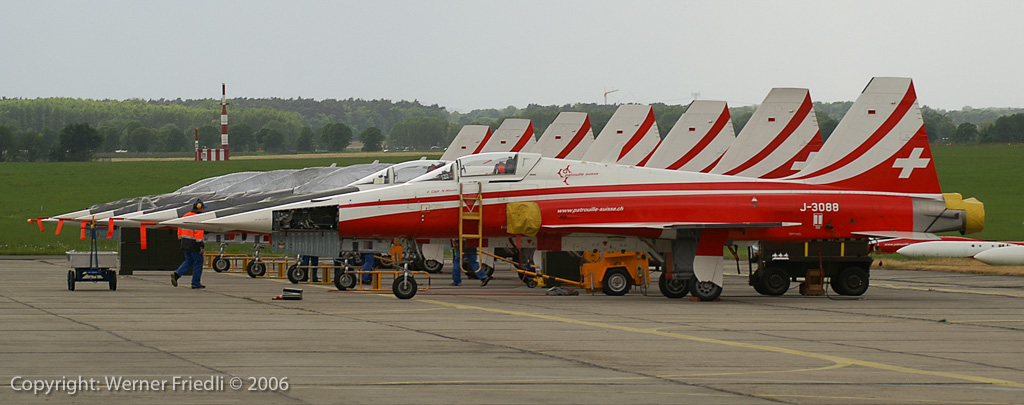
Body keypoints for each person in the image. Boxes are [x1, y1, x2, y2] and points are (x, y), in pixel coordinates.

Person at [171, 199, 206, 289]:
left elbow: (179, 230)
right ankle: (195, 283)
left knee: (189, 261)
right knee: (198, 262)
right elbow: (198, 234)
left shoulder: (185, 216)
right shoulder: (198, 219)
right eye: (203, 208)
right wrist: (201, 246)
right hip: (194, 244)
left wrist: (181, 239)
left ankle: (177, 274)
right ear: (199, 208)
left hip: (185, 243)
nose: (204, 210)